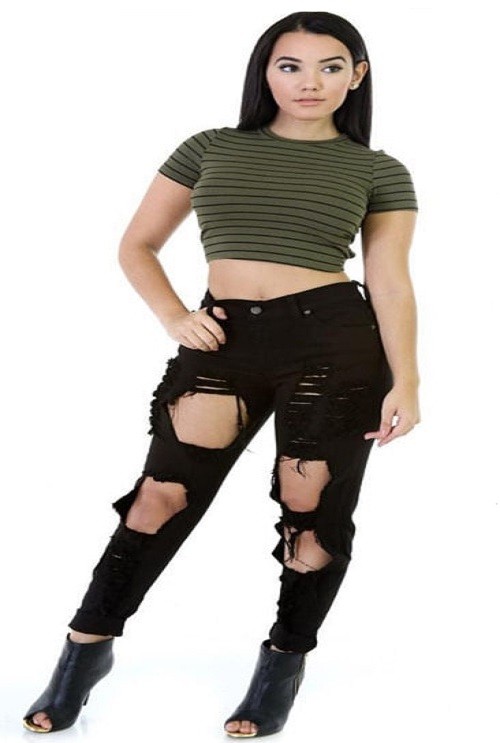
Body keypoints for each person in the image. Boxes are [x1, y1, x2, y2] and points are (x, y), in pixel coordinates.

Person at [22, 10, 421, 739]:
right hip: (222, 342)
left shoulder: (377, 169)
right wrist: (175, 316)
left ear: (357, 76)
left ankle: (282, 666)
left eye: (331, 66)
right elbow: (137, 244)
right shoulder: (211, 147)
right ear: (265, 71)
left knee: (311, 516)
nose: (309, 82)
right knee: (158, 498)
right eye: (290, 65)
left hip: (334, 343)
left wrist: (409, 381)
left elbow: (390, 280)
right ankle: (85, 649)